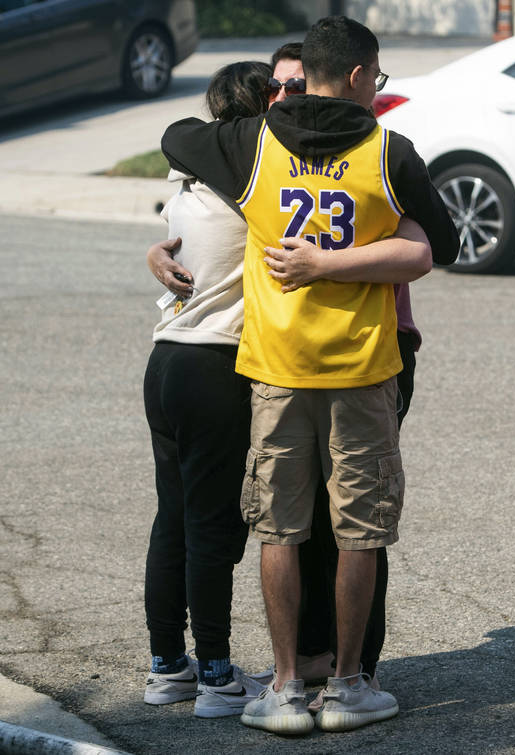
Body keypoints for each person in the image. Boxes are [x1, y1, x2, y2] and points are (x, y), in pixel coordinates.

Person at [160, 16, 458, 736]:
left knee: (279, 528)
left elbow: (175, 136)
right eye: (375, 78)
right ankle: (351, 683)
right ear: (357, 77)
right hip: (363, 366)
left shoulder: (253, 144)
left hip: (278, 368)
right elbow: (441, 242)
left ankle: (288, 685)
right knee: (360, 530)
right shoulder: (390, 152)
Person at [141, 60, 275, 720]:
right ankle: (218, 675)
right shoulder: (255, 192)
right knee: (212, 527)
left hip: (164, 362)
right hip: (216, 368)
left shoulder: (186, 190)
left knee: (173, 519)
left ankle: (168, 666)